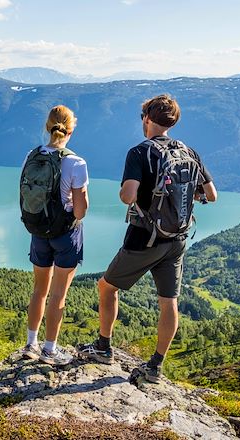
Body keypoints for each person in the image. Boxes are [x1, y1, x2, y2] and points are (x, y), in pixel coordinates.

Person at [79, 94, 217, 382]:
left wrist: (125, 193)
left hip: (144, 238)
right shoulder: (188, 151)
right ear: (173, 121)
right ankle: (155, 366)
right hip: (177, 238)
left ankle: (104, 347)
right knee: (169, 302)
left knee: (106, 287)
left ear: (147, 119)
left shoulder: (140, 152)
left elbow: (128, 195)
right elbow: (211, 195)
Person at [19, 105, 89, 366]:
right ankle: (50, 350)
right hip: (65, 235)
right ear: (71, 129)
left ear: (47, 127)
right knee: (58, 294)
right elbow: (80, 211)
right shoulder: (75, 162)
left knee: (39, 290)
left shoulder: (32, 155)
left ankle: (30, 344)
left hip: (38, 230)